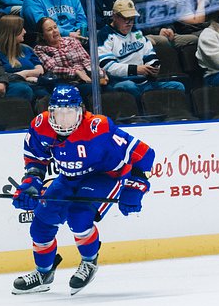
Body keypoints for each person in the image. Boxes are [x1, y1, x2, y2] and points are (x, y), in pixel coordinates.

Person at [10, 85, 155, 294]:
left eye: (70, 113)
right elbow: (35, 160)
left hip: (104, 176)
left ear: (81, 111)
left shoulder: (99, 127)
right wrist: (30, 186)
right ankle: (43, 273)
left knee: (79, 216)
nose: (64, 120)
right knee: (41, 222)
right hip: (68, 178)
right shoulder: (40, 125)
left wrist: (136, 186)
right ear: (50, 111)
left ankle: (89, 261)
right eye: (58, 114)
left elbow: (144, 154)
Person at [97, 0, 185, 99]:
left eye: (132, 18)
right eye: (125, 18)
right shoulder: (104, 35)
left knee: (178, 87)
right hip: (120, 82)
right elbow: (108, 66)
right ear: (114, 16)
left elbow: (150, 54)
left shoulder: (136, 32)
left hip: (145, 82)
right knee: (129, 86)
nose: (129, 23)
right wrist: (136, 70)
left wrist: (153, 68)